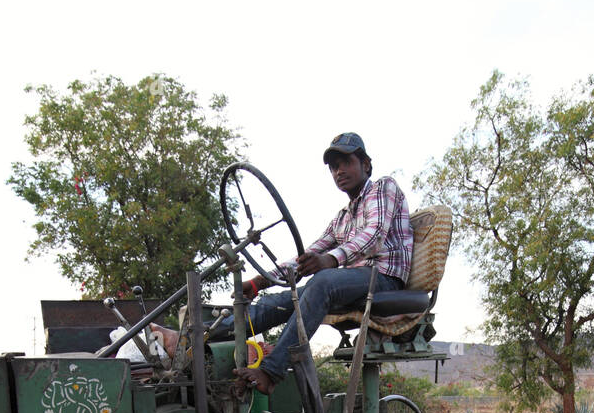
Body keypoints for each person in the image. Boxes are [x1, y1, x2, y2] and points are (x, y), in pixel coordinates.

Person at [154, 133, 413, 395]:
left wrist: (330, 260)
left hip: (384, 280)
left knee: (322, 281)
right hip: (350, 283)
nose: (339, 171)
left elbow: (375, 235)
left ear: (366, 164)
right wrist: (261, 281)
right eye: (334, 167)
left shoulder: (383, 188)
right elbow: (308, 254)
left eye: (346, 162)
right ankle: (187, 339)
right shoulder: (342, 218)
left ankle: (271, 371)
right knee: (272, 303)